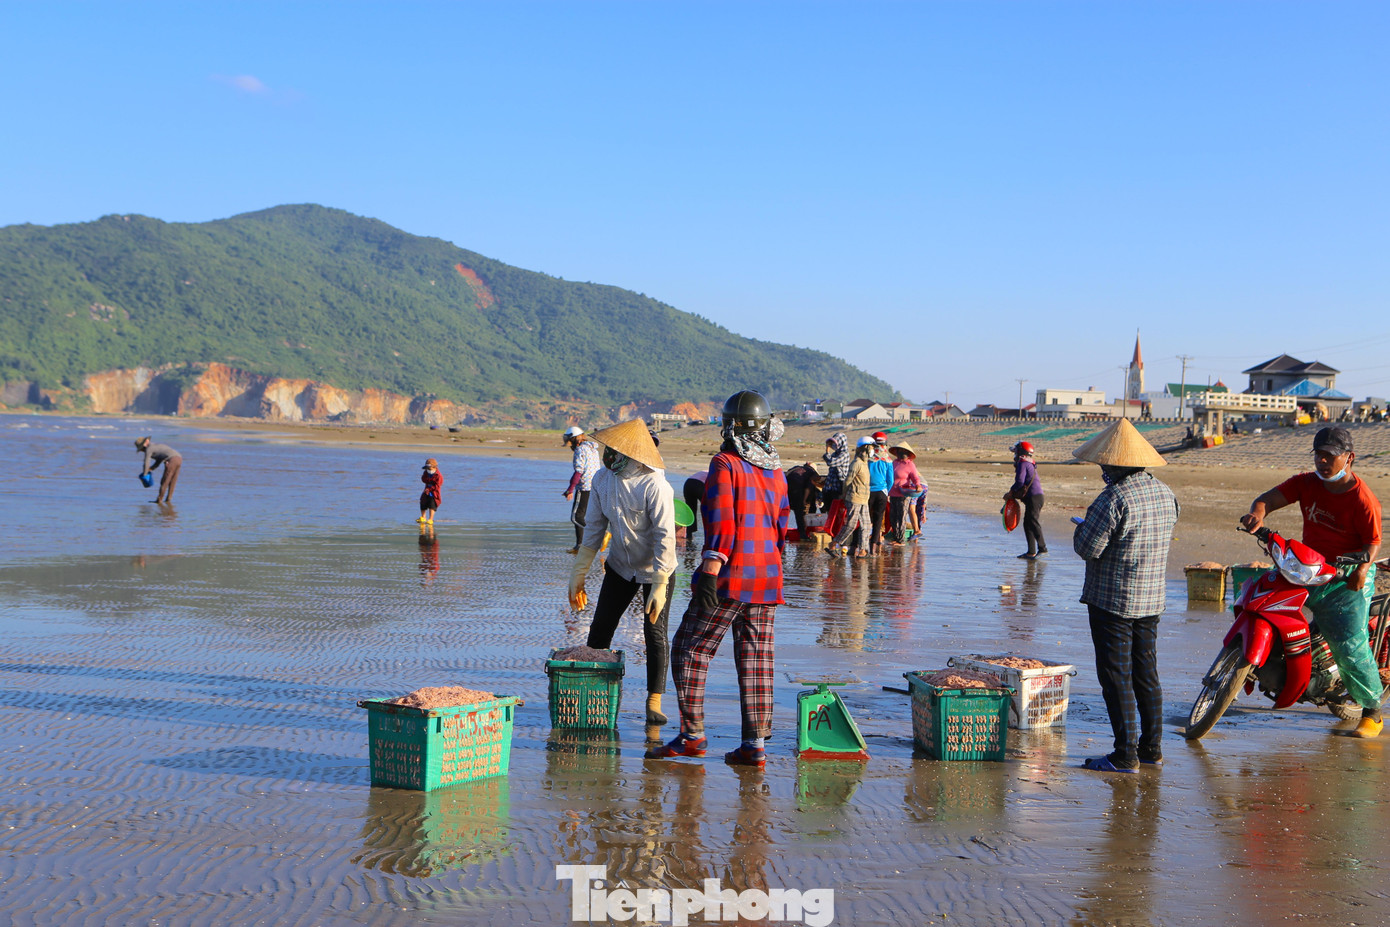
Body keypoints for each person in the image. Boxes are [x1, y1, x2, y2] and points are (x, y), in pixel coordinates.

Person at [649, 389, 789, 768]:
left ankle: (692, 736)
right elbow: (780, 529)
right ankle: (754, 745)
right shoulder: (776, 470)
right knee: (756, 660)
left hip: (731, 575)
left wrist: (710, 568)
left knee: (690, 649)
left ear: (729, 427)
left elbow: (724, 521)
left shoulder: (725, 463)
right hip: (768, 578)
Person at [1240, 425, 1384, 738]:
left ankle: (1373, 712)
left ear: (1349, 458)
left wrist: (1361, 568)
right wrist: (1257, 514)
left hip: (1348, 572)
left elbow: (1372, 544)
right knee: (1263, 600)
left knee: (1349, 643)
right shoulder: (1306, 483)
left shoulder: (1362, 498)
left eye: (1329, 456)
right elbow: (1268, 499)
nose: (1322, 462)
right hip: (1309, 567)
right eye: (1318, 455)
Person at [1072, 419, 1180, 772]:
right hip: (1151, 599)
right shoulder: (1166, 494)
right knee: (1146, 673)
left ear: (1115, 465)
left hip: (1112, 601)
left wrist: (1084, 528)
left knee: (1116, 676)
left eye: (1105, 464)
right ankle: (1152, 749)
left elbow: (1088, 548)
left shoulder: (1113, 498)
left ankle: (1125, 754)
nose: (1103, 469)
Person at [567, 419, 677, 727]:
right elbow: (594, 528)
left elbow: (664, 536)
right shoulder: (603, 479)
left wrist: (659, 583)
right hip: (619, 566)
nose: (608, 455)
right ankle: (592, 692)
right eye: (607, 449)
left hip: (657, 569)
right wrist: (579, 570)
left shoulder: (655, 484)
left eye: (614, 451)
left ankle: (654, 700)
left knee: (654, 632)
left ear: (631, 453)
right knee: (601, 627)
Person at [829, 438, 874, 557]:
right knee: (851, 525)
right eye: (871, 448)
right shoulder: (856, 464)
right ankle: (834, 544)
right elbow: (848, 481)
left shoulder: (865, 463)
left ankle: (863, 550)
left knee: (866, 524)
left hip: (864, 499)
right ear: (865, 449)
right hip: (854, 499)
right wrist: (844, 495)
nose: (873, 450)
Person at [561, 426, 601, 553]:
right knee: (584, 516)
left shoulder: (580, 450)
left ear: (574, 439)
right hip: (595, 486)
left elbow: (578, 472)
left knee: (576, 517)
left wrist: (570, 490)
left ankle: (601, 536)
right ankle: (580, 546)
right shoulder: (592, 448)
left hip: (584, 487)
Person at [1005, 441, 1047, 560]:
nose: (1014, 455)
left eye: (1015, 452)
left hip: (1034, 497)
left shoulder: (1023, 463)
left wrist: (1010, 492)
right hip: (1035, 497)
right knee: (1027, 523)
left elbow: (1019, 482)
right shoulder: (1029, 463)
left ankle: (1043, 548)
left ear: (1020, 452)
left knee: (1033, 522)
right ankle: (1031, 552)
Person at [887, 440, 924, 542]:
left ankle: (900, 540)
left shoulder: (910, 465)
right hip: (892, 493)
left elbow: (915, 478)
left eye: (902, 451)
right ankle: (896, 537)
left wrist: (918, 486)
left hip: (903, 494)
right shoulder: (894, 463)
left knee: (901, 517)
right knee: (893, 517)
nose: (900, 452)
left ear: (907, 452)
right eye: (898, 450)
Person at [135, 436, 182, 504]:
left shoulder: (149, 449)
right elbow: (159, 459)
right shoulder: (155, 446)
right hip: (179, 458)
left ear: (144, 446)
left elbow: (146, 462)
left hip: (172, 459)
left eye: (141, 449)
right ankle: (168, 499)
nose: (142, 451)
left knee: (165, 480)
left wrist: (145, 474)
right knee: (173, 480)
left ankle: (159, 500)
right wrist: (152, 468)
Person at [867, 435, 894, 554]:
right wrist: (886, 491)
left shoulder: (868, 458)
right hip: (882, 492)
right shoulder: (888, 460)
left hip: (867, 492)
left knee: (865, 518)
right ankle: (873, 546)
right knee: (878, 519)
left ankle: (859, 545)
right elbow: (891, 480)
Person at [784, 462, 822, 539]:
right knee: (799, 511)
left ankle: (783, 532)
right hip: (797, 489)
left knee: (785, 511)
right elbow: (809, 488)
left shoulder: (796, 468)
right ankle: (803, 534)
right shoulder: (812, 472)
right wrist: (804, 501)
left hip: (785, 487)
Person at [821, 433, 852, 506]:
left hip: (839, 487)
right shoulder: (835, 454)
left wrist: (827, 451)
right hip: (830, 486)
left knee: (837, 510)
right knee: (828, 508)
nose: (833, 445)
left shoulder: (844, 454)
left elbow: (831, 462)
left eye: (835, 443)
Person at [418, 458, 442, 525]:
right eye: (427, 468)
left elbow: (438, 486)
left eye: (429, 468)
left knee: (432, 505)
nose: (428, 469)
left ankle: (431, 519)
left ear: (434, 467)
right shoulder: (426, 472)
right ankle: (423, 517)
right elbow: (423, 480)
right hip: (426, 491)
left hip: (434, 493)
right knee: (423, 502)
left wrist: (430, 489)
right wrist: (425, 476)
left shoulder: (438, 475)